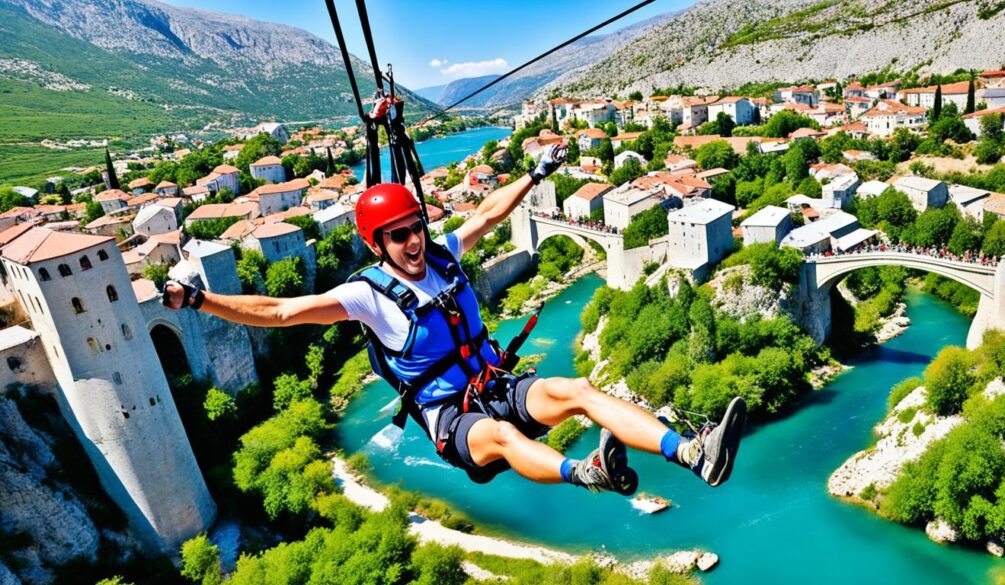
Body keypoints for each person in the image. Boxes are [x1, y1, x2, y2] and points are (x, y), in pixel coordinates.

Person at [163, 144, 746, 495]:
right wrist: (201, 300)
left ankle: (694, 454)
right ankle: (586, 472)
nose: (414, 240)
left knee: (577, 389)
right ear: (378, 244)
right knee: (501, 436)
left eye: (416, 227)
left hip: (496, 382)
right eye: (400, 235)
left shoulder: (442, 254)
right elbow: (281, 311)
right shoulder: (370, 296)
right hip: (453, 419)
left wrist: (536, 175)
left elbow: (490, 213)